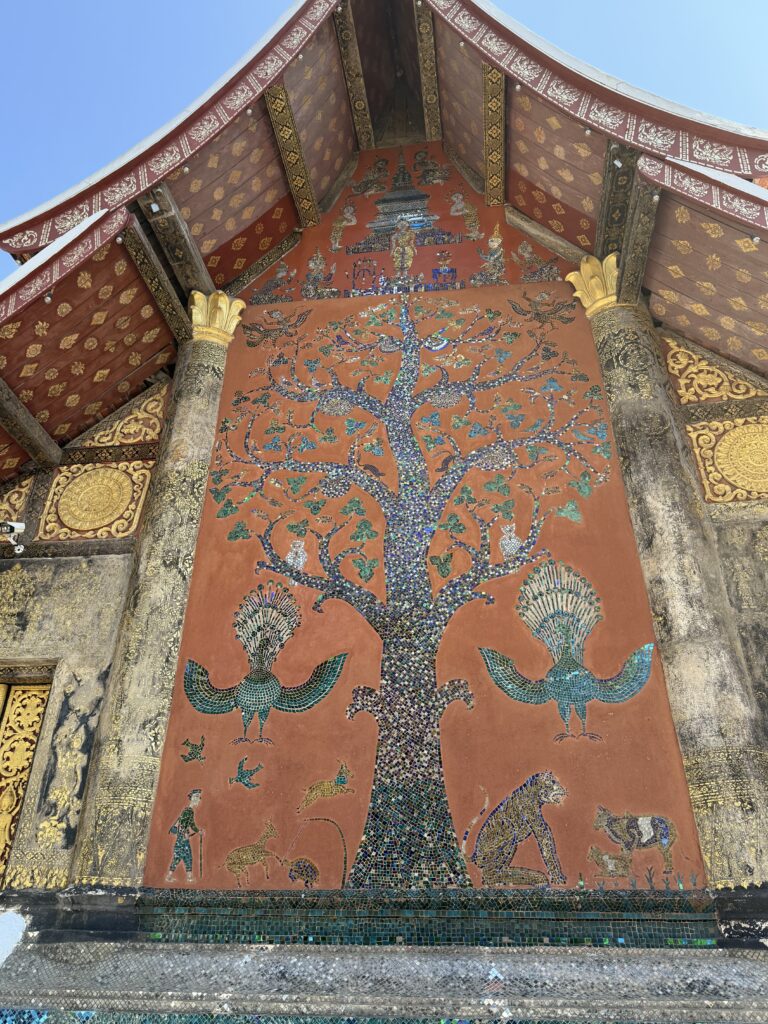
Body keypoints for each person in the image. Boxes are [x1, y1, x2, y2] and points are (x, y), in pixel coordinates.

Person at [166, 788, 202, 883]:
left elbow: (191, 824)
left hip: (181, 837)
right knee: (186, 856)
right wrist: (184, 833)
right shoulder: (188, 811)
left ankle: (170, 876)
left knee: (180, 857)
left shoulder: (190, 811)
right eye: (197, 797)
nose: (198, 799)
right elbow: (182, 823)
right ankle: (188, 877)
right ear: (192, 798)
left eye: (199, 797)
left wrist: (198, 831)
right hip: (182, 838)